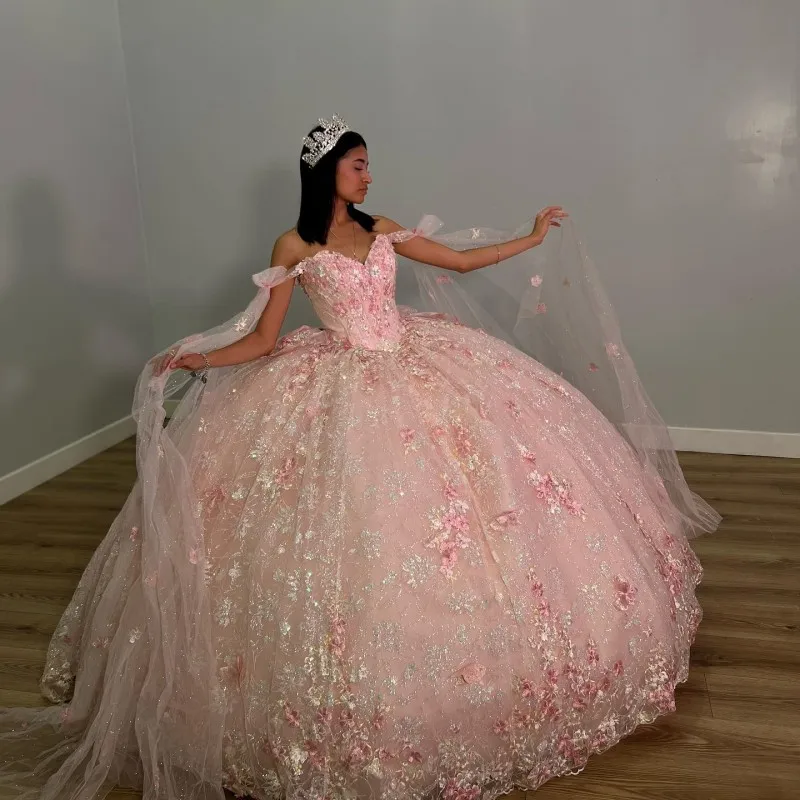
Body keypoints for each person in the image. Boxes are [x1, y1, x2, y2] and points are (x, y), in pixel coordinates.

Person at [0, 115, 719, 800]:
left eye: (369, 165)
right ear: (326, 171)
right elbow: (263, 339)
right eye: (358, 165)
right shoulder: (293, 246)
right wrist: (196, 359)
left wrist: (529, 238)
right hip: (337, 379)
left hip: (413, 359)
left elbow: (460, 260)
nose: (369, 176)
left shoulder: (380, 229)